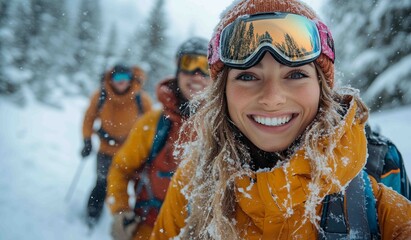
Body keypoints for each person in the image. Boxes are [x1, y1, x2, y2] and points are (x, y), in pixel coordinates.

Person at [150, 0, 411, 239]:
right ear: (223, 94)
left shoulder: (372, 196)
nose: (272, 98)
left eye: (296, 75)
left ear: (322, 89)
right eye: (248, 76)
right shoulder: (194, 178)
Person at [106, 37, 212, 240]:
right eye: (189, 64)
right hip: (147, 230)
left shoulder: (224, 130)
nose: (197, 75)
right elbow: (120, 169)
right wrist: (120, 211)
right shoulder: (154, 124)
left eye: (206, 66)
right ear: (178, 70)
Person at [81, 64, 153, 226]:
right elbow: (88, 118)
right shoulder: (100, 96)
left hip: (130, 153)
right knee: (102, 182)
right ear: (110, 79)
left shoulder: (142, 99)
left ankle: (132, 220)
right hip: (105, 150)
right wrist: (87, 140)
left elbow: (151, 127)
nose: (121, 82)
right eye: (117, 78)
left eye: (125, 78)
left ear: (131, 79)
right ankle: (93, 211)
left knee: (133, 187)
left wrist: (150, 150)